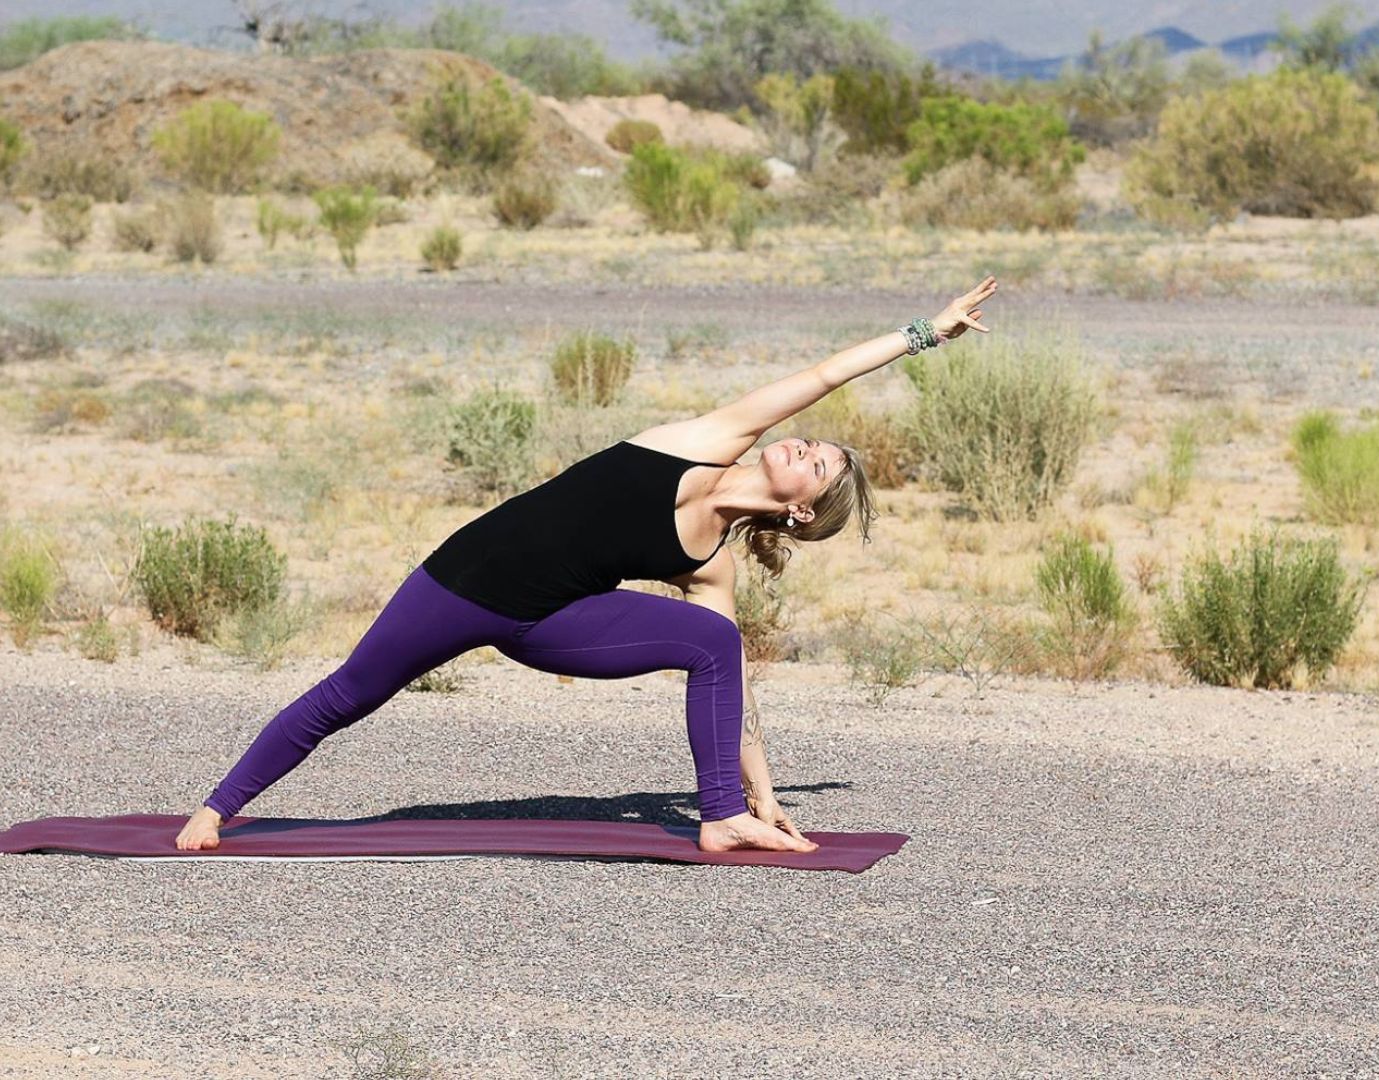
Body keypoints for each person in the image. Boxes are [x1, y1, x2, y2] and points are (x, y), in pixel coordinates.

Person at [174, 276, 999, 855]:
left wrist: (766, 796)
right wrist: (925, 333)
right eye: (815, 443)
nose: (803, 445)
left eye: (815, 465)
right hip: (462, 580)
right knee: (348, 695)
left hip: (548, 623)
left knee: (718, 648)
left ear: (800, 512)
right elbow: (823, 374)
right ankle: (216, 807)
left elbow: (732, 696)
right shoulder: (711, 439)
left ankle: (720, 819)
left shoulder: (710, 563)